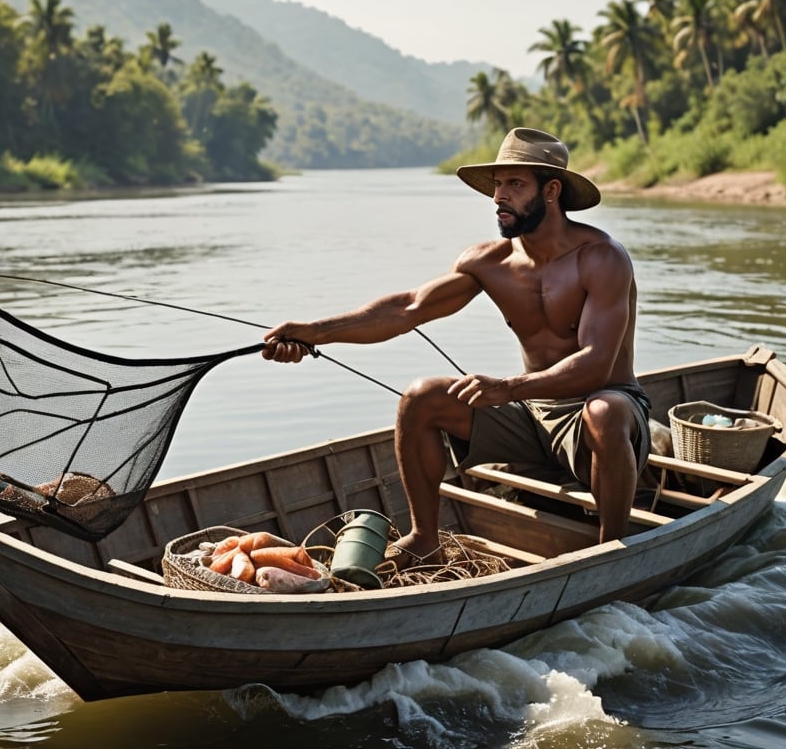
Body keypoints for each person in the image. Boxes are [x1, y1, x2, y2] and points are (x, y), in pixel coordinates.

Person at [262, 127, 650, 566]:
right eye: (497, 185)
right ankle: (424, 538)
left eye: (515, 185)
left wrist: (507, 387)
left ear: (552, 191)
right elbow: (406, 309)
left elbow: (598, 365)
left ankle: (611, 549)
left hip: (601, 414)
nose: (499, 196)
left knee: (603, 410)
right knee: (421, 397)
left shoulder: (601, 258)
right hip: (531, 413)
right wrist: (313, 331)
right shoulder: (489, 262)